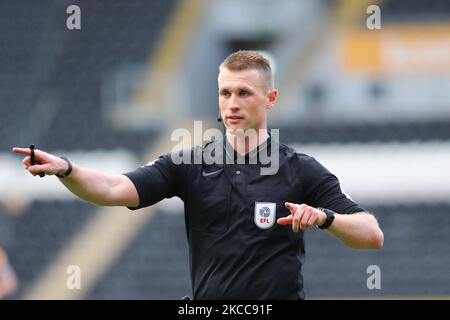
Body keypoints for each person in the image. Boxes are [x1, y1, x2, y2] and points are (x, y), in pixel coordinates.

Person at [12, 50, 383, 300]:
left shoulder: (300, 169)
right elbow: (111, 188)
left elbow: (371, 235)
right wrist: (68, 169)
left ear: (270, 99)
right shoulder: (189, 164)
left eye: (243, 92)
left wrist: (325, 218)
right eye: (225, 93)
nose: (232, 103)